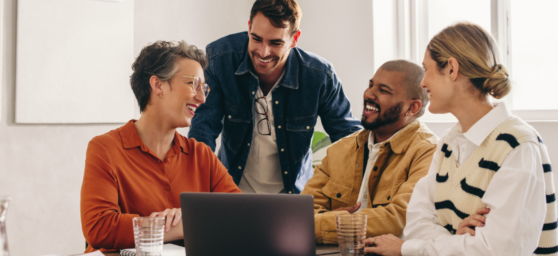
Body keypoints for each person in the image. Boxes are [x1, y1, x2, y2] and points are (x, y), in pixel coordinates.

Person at [364, 22, 558, 256]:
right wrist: (457, 239)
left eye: (427, 70)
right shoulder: (449, 143)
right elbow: (416, 223)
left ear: (452, 69)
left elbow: (497, 251)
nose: (423, 83)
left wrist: (408, 249)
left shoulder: (518, 146)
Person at [80, 41, 241, 253]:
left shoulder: (202, 155)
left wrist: (186, 221)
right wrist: (176, 228)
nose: (202, 98)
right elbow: (99, 228)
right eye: (193, 84)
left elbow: (239, 217)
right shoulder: (105, 149)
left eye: (204, 88)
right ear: (158, 86)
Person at [188, 0, 362, 195]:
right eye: (256, 38)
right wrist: (201, 195)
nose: (263, 52)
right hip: (233, 195)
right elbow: (203, 132)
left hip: (293, 200)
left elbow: (349, 140)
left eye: (275, 43)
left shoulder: (319, 76)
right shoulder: (221, 59)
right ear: (249, 27)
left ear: (295, 39)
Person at [301, 60, 438, 243]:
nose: (369, 94)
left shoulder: (428, 152)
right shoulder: (340, 150)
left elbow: (397, 219)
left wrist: (334, 222)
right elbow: (303, 213)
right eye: (370, 85)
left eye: (383, 90)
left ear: (412, 108)